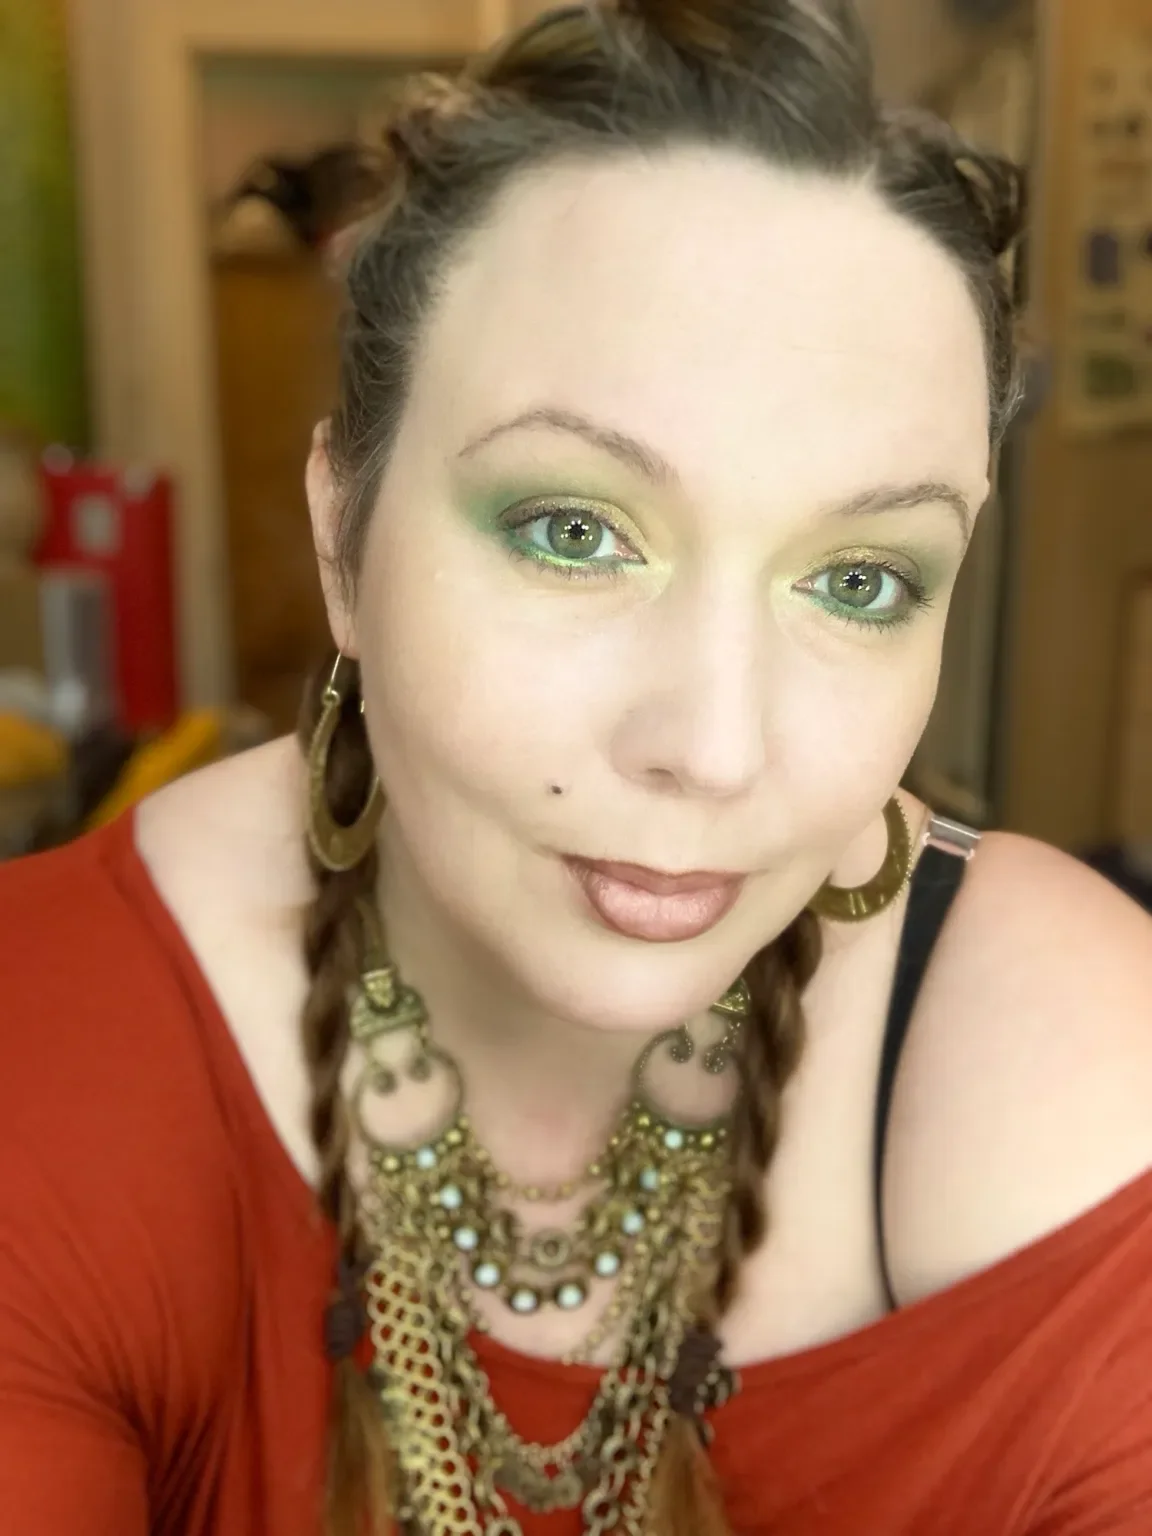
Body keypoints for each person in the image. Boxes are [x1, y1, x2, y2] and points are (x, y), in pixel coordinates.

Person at [3, 1, 1152, 1532]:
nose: (717, 749)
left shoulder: (1060, 1058)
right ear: (347, 535)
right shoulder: (60, 1039)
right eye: (575, 532)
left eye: (861, 580)